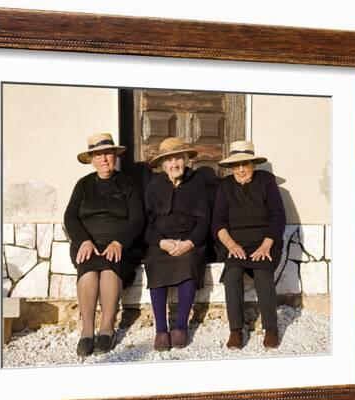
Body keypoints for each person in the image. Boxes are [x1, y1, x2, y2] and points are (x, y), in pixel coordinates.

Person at [64, 133, 145, 357]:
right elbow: (70, 216)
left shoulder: (128, 183)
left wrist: (120, 242)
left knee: (110, 269)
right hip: (88, 244)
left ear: (115, 156)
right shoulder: (83, 185)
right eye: (98, 155)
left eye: (108, 153)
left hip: (121, 245)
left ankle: (107, 329)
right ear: (92, 159)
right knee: (89, 271)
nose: (104, 159)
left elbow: (138, 218)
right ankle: (87, 331)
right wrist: (83, 241)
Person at [211, 140, 286, 349]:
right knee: (233, 274)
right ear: (231, 167)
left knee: (263, 274)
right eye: (237, 165)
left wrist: (266, 245)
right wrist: (231, 245)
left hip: (265, 242)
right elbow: (217, 221)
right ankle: (236, 330)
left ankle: (271, 328)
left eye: (246, 164)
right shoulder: (225, 186)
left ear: (253, 164)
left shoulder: (266, 181)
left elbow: (278, 216)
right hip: (236, 244)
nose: (241, 169)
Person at [144, 137, 210, 351]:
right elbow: (146, 225)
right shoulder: (154, 187)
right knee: (154, 261)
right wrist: (162, 242)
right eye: (169, 161)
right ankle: (161, 330)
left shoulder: (197, 183)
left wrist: (189, 243)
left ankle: (181, 326)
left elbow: (205, 220)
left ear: (185, 161)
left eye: (178, 159)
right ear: (163, 165)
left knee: (189, 261)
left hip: (190, 241)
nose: (174, 164)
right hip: (162, 243)